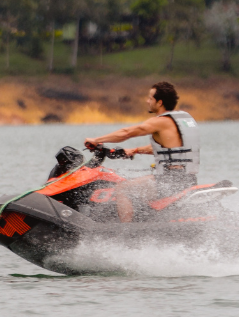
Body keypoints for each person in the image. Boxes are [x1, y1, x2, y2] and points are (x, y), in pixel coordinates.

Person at [84, 81, 200, 223]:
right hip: (188, 179)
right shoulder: (183, 119)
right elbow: (170, 150)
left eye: (150, 98)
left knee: (122, 189)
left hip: (169, 180)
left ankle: (126, 232)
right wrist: (135, 150)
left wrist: (96, 140)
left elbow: (126, 133)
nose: (147, 101)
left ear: (159, 103)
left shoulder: (160, 122)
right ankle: (147, 224)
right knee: (140, 193)